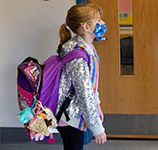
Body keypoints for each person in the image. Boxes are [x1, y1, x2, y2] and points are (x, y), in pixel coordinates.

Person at [56, 4, 107, 150]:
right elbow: (84, 93)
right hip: (70, 116)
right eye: (98, 20)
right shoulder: (77, 53)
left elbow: (91, 83)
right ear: (86, 27)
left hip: (76, 114)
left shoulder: (87, 47)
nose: (102, 23)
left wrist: (97, 106)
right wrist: (97, 128)